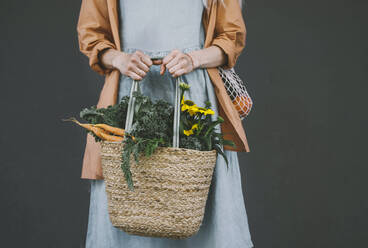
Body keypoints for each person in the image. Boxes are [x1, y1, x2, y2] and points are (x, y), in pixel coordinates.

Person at [77, 0, 254, 247]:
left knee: (197, 197)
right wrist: (120, 59)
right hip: (129, 96)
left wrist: (193, 59)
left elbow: (230, 38)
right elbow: (92, 36)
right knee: (127, 198)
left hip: (192, 95)